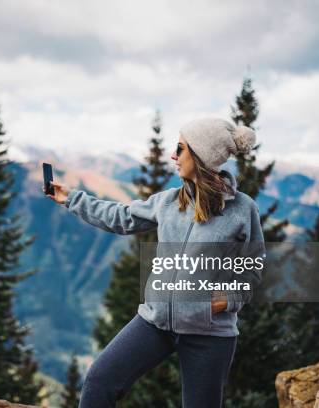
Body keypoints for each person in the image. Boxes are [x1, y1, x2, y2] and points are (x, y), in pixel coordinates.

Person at [43, 118, 265, 408]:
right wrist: (71, 198)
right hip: (155, 323)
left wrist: (228, 300)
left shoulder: (242, 209)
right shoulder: (168, 202)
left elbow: (254, 265)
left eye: (180, 148)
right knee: (99, 381)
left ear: (200, 156)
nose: (173, 155)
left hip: (209, 334)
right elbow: (120, 217)